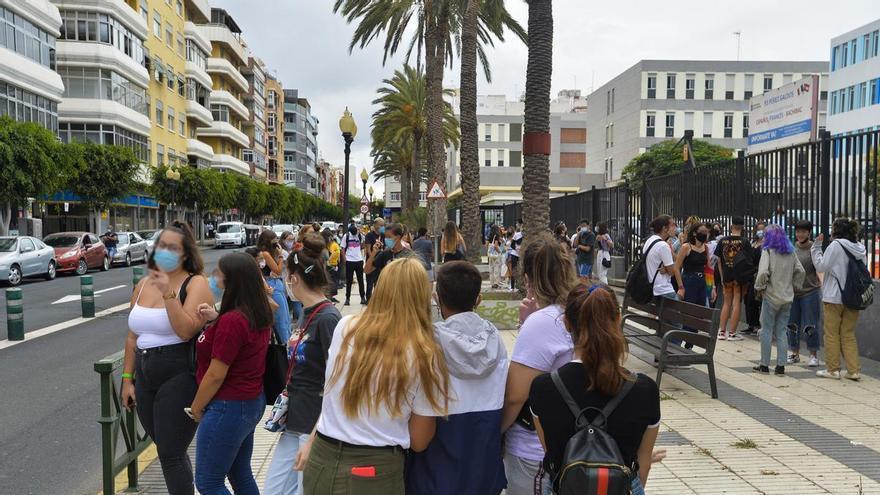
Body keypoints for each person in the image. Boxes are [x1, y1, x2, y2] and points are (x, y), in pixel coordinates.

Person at [295, 258, 449, 494]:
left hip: (321, 459)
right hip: (374, 469)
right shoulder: (424, 353)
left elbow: (331, 397)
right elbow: (419, 441)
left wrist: (312, 440)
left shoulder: (346, 326)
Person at [529, 284, 660, 495]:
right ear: (617, 321)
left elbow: (552, 453)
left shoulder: (543, 388)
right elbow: (643, 464)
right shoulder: (645, 390)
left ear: (567, 323)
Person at [120, 222, 213, 495]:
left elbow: (185, 330)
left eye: (173, 248)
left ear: (186, 254)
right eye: (162, 246)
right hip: (146, 373)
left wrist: (168, 294)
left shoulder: (196, 283)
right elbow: (131, 336)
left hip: (179, 372)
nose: (165, 252)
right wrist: (127, 379)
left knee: (171, 453)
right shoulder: (142, 284)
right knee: (166, 448)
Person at [406, 261, 508, 495]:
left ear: (436, 297)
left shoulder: (428, 344)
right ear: (478, 299)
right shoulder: (496, 341)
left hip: (436, 467)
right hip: (484, 464)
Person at [264, 236, 342, 495]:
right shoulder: (307, 313)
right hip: (294, 419)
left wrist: (317, 434)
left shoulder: (328, 318)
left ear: (294, 278)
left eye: (287, 277)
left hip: (313, 424)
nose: (286, 283)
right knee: (275, 489)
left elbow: (338, 377)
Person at [501, 234, 578, 495]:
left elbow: (516, 396)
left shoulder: (543, 322)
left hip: (534, 452)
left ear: (527, 279)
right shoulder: (573, 312)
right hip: (569, 444)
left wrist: (495, 433)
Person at [190, 253, 273, 495]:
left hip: (228, 406)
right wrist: (217, 319)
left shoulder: (233, 321)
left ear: (233, 280)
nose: (214, 278)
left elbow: (216, 374)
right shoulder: (254, 311)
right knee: (239, 473)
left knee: (208, 482)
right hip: (249, 402)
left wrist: (196, 407)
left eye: (218, 273)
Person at [812, 218, 867, 380]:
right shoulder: (860, 247)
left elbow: (821, 266)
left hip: (834, 296)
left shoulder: (836, 245)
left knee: (831, 333)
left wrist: (816, 248)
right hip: (854, 297)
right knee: (848, 333)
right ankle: (854, 370)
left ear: (837, 230)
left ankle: (833, 369)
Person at [752, 225, 805, 376]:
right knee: (782, 331)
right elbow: (801, 271)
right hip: (787, 296)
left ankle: (764, 364)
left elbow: (762, 272)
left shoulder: (767, 250)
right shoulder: (791, 252)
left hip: (771, 295)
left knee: (766, 331)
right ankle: (781, 366)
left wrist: (759, 286)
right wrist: (794, 286)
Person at [787, 221, 822, 367]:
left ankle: (813, 355)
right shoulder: (791, 248)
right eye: (798, 232)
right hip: (793, 293)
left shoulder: (814, 249)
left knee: (810, 324)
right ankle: (794, 353)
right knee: (792, 324)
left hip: (810, 292)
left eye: (803, 232)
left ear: (809, 233)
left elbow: (820, 269)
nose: (800, 234)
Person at [714, 217, 754, 341]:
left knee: (726, 303)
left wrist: (721, 276)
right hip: (739, 276)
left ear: (731, 227)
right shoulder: (745, 241)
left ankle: (721, 331)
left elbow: (719, 260)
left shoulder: (723, 241)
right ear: (742, 227)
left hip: (726, 275)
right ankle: (732, 333)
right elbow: (749, 261)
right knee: (736, 302)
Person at [258, 230, 292, 343]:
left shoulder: (270, 252)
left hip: (277, 283)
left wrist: (278, 252)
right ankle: (286, 345)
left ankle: (288, 342)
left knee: (286, 318)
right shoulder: (265, 254)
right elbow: (277, 270)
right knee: (281, 319)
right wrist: (281, 256)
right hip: (272, 285)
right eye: (274, 239)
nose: (276, 241)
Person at [645, 215, 683, 303]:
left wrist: (666, 268)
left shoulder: (649, 241)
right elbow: (672, 272)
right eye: (673, 225)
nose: (676, 227)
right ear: (664, 228)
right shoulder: (663, 245)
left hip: (652, 288)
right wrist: (667, 269)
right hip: (664, 290)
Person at [674, 222, 710, 308]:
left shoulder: (706, 247)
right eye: (702, 231)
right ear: (694, 233)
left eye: (706, 232)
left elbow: (708, 268)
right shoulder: (686, 247)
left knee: (701, 309)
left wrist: (712, 287)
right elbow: (676, 268)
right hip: (689, 279)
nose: (704, 234)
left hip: (702, 281)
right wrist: (681, 287)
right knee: (689, 308)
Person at [743, 222, 766, 335]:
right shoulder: (753, 243)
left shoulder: (765, 245)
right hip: (750, 274)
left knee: (755, 299)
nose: (760, 231)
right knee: (748, 300)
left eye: (762, 229)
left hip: (758, 273)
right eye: (758, 229)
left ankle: (758, 324)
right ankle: (751, 324)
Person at [340, 224, 366, 306]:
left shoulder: (360, 235)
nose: (355, 234)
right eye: (354, 233)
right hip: (350, 260)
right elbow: (342, 248)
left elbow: (363, 245)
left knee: (360, 280)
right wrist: (345, 259)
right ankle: (347, 298)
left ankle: (363, 297)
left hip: (359, 260)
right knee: (349, 280)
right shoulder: (346, 236)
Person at [363, 218, 385, 304]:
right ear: (375, 225)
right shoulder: (369, 235)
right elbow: (368, 249)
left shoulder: (383, 235)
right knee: (369, 283)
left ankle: (377, 300)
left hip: (380, 263)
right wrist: (373, 257)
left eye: (383, 225)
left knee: (378, 282)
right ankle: (368, 299)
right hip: (371, 261)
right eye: (381, 225)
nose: (382, 227)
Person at [321, 228, 341, 303]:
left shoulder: (328, 245)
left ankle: (329, 298)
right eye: (330, 237)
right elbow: (326, 259)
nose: (331, 238)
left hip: (327, 267)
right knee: (327, 285)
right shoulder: (323, 247)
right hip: (324, 269)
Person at [508, 221, 524, 291]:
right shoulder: (517, 235)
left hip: (522, 255)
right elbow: (512, 244)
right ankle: (512, 287)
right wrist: (517, 250)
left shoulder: (529, 236)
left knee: (522, 271)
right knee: (514, 270)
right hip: (515, 254)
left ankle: (520, 286)